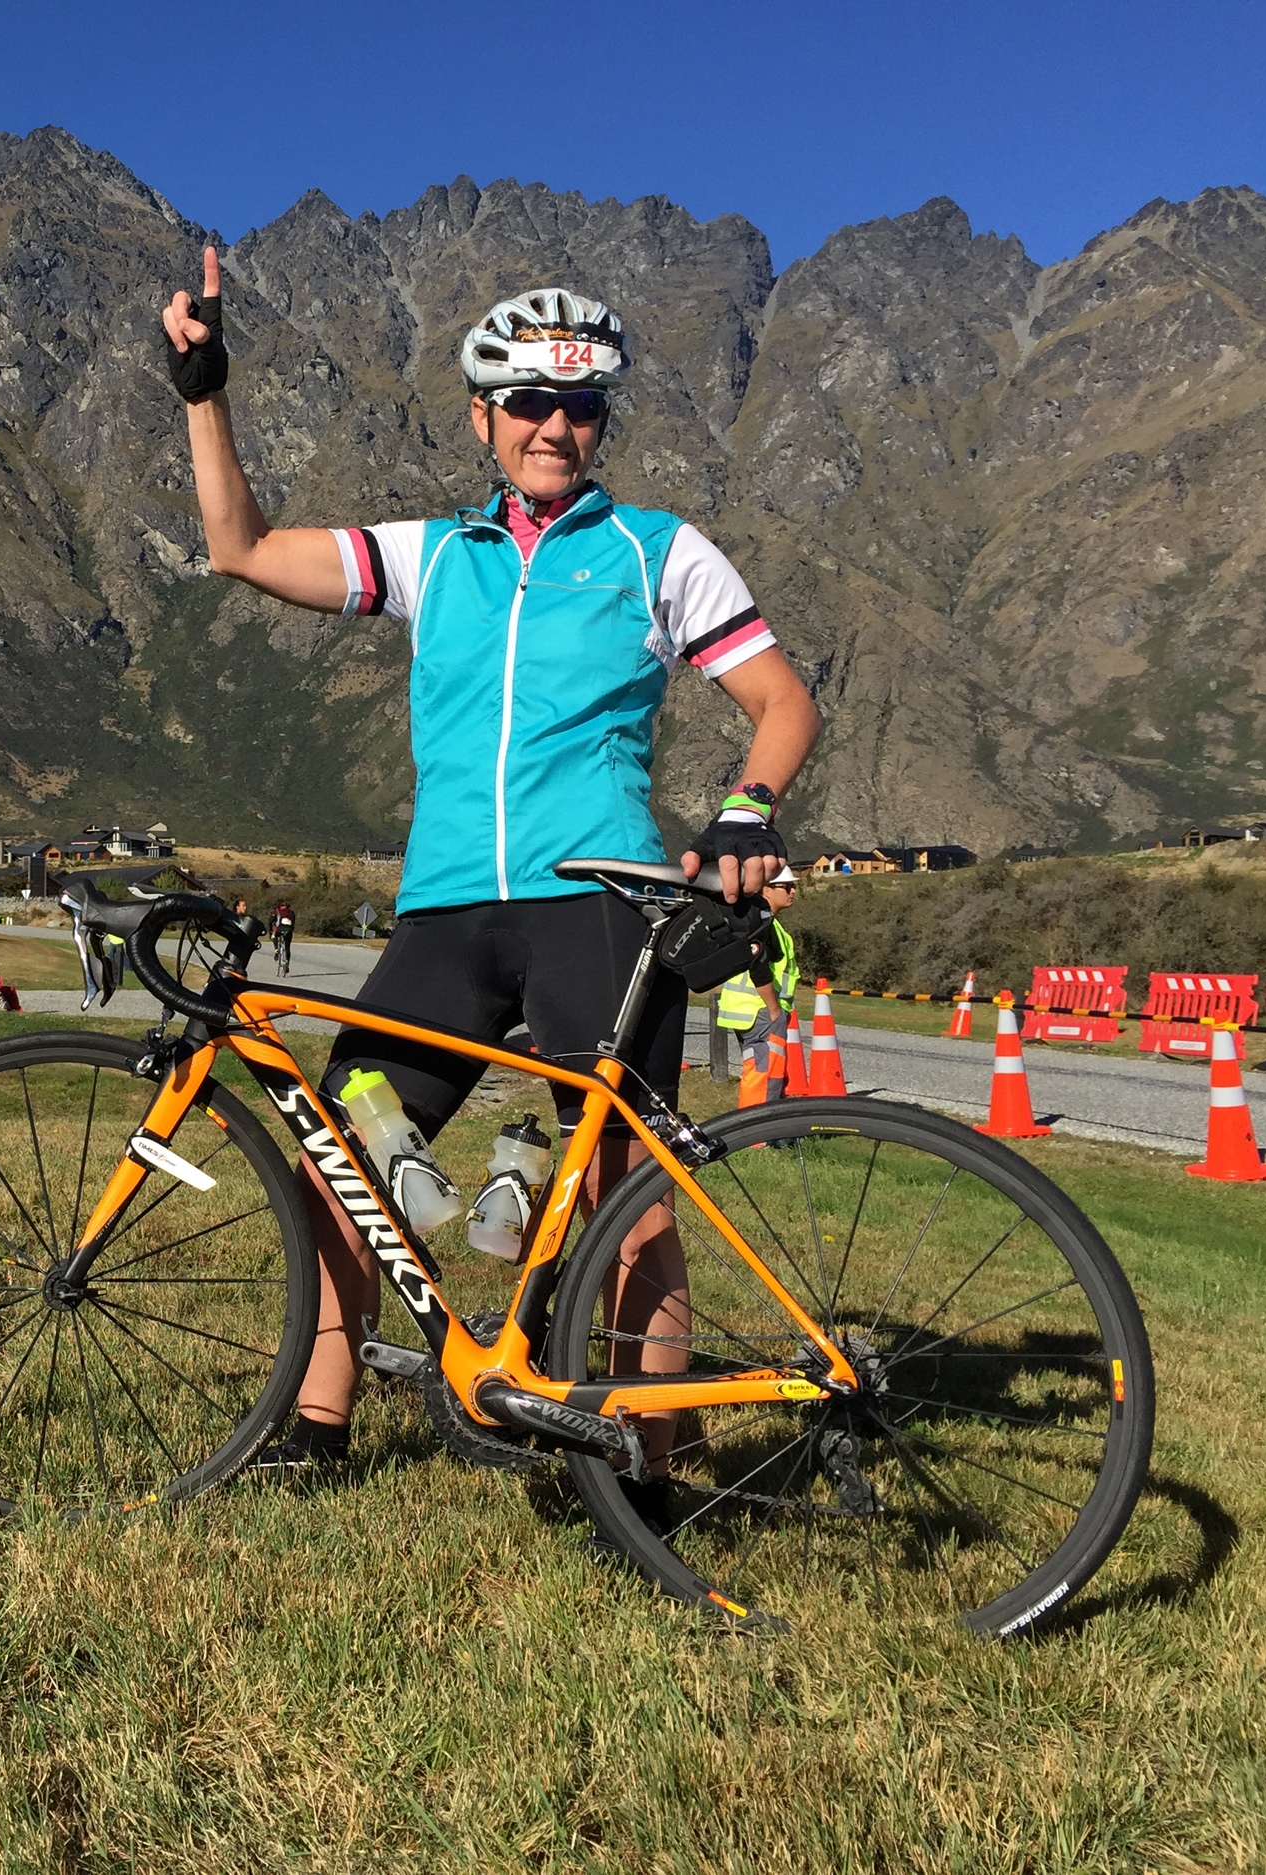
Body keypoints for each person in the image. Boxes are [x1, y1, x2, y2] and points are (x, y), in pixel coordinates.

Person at [161, 251, 821, 1511]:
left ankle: (653, 1471)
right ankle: (313, 1431)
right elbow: (238, 548)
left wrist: (744, 817)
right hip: (449, 909)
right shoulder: (435, 556)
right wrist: (204, 392)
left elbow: (780, 701)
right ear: (483, 417)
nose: (553, 427)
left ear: (601, 422)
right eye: (525, 403)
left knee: (628, 1204)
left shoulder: (657, 552)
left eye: (578, 408)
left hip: (601, 910)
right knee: (341, 1162)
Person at [713, 864, 802, 1099]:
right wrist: (774, 1009)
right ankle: (756, 1135)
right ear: (766, 890)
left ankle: (770, 1131)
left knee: (769, 1075)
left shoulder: (760, 922)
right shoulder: (763, 925)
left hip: (752, 1012)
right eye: (786, 886)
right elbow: (759, 967)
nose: (792, 891)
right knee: (764, 1078)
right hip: (761, 1012)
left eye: (793, 886)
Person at [270, 899, 295, 975]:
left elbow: (270, 922)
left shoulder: (277, 911)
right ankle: (287, 964)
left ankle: (276, 950)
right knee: (287, 947)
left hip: (279, 929)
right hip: (289, 930)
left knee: (274, 936)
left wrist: (270, 930)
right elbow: (293, 922)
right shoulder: (291, 912)